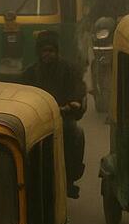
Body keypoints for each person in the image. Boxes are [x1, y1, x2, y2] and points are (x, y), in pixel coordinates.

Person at [21, 30, 86, 198]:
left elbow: (78, 88)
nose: (47, 54)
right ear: (39, 53)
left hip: (62, 118)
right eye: (44, 51)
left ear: (56, 52)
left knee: (75, 134)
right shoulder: (30, 72)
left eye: (51, 51)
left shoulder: (69, 69)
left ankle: (69, 178)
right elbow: (21, 93)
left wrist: (74, 102)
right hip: (37, 120)